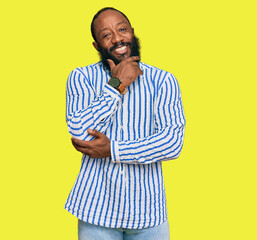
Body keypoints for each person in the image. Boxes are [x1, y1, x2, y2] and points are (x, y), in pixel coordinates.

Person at [65, 7, 185, 240]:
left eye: (122, 30)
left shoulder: (163, 81)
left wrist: (113, 149)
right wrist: (117, 85)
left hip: (148, 214)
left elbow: (172, 143)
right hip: (95, 211)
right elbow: (80, 133)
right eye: (106, 34)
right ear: (97, 46)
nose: (118, 38)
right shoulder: (80, 77)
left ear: (132, 32)